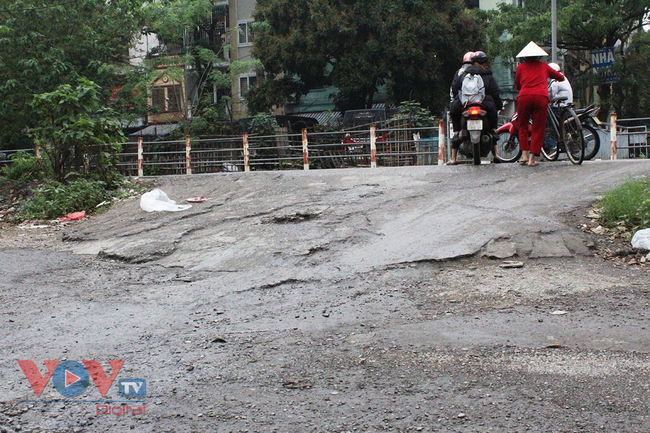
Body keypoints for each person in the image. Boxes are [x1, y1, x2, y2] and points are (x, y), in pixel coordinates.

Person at [514, 41, 566, 166]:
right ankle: (532, 159)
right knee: (538, 128)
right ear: (539, 56)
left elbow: (517, 86)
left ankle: (524, 155)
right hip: (541, 98)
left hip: (524, 97)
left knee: (523, 125)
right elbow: (561, 78)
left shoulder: (520, 67)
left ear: (524, 57)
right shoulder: (544, 66)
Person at [448, 51, 503, 164]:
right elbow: (494, 92)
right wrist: (498, 105)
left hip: (465, 103)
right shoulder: (487, 74)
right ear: (485, 63)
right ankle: (496, 153)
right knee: (492, 123)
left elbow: (455, 88)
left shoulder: (463, 74)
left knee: (454, 113)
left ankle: (453, 156)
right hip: (483, 103)